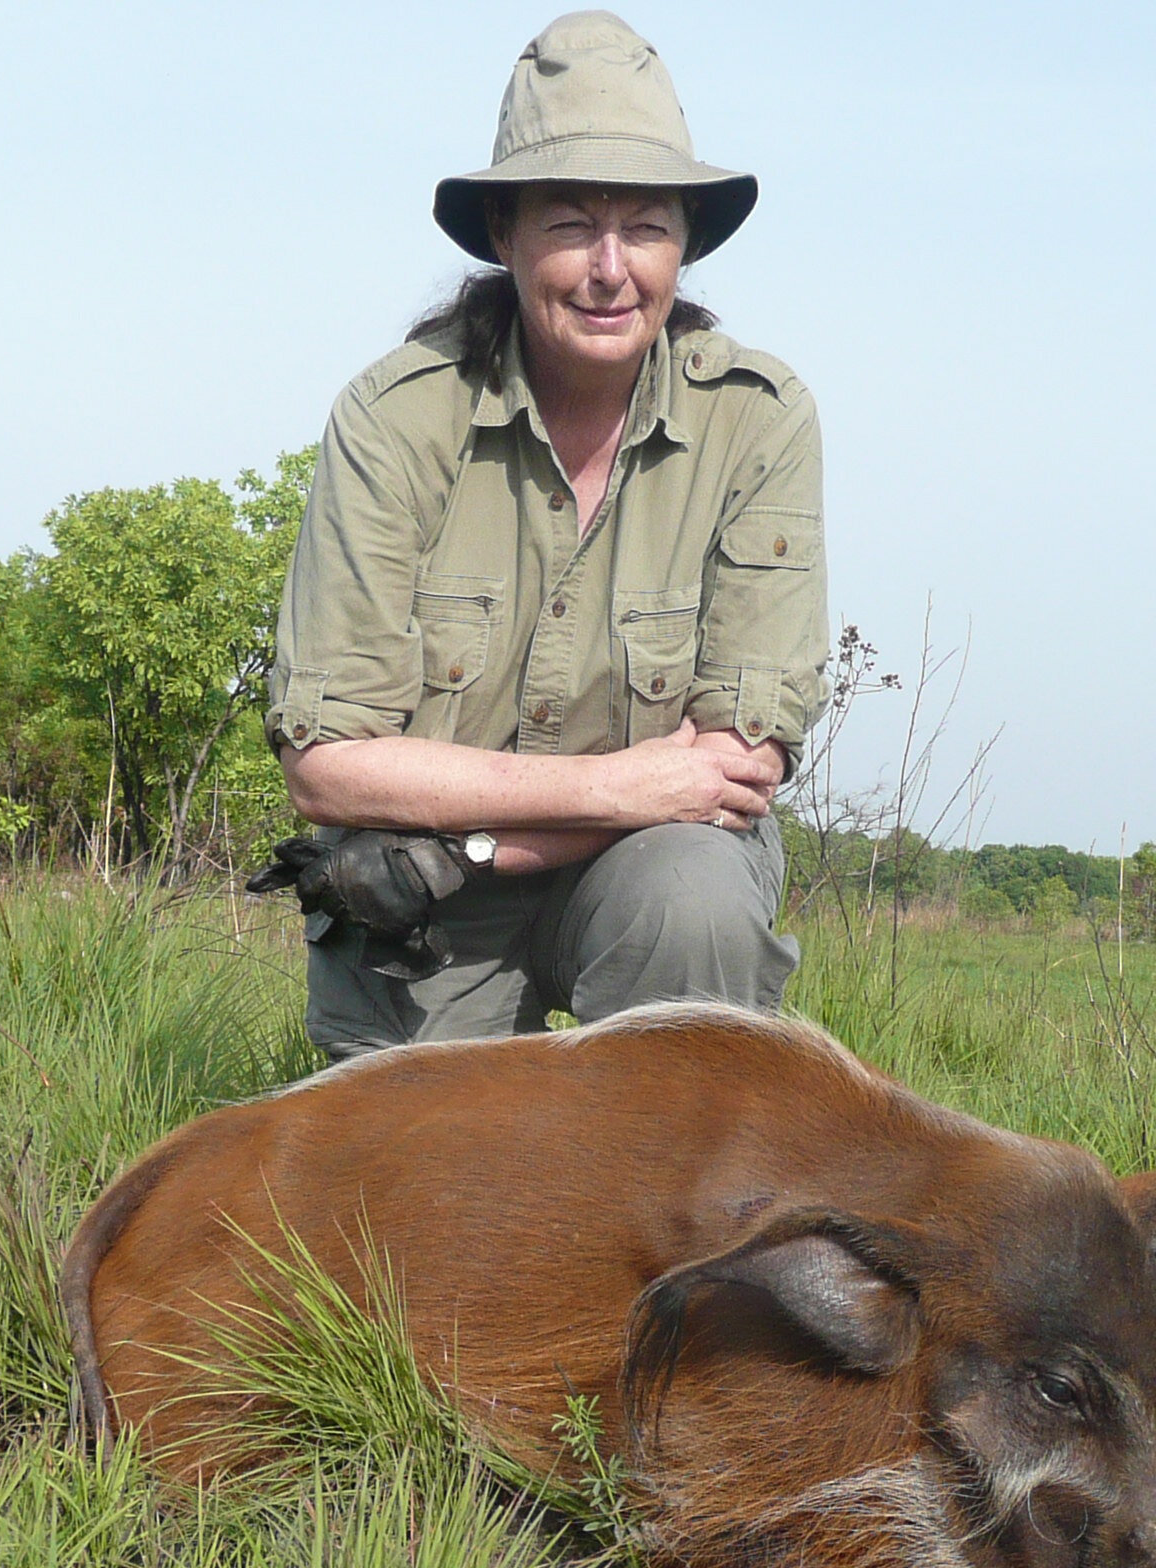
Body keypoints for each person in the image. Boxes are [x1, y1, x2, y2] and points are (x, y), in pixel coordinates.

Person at [255, 10, 829, 1060]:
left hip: (630, 873)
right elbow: (328, 767)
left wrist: (470, 834)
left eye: (647, 226)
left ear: (683, 245)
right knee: (420, 1212)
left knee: (693, 899)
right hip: (426, 908)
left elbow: (729, 773)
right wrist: (615, 787)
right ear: (505, 237)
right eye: (570, 224)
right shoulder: (394, 418)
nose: (611, 268)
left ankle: (680, 1198)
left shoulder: (759, 414)